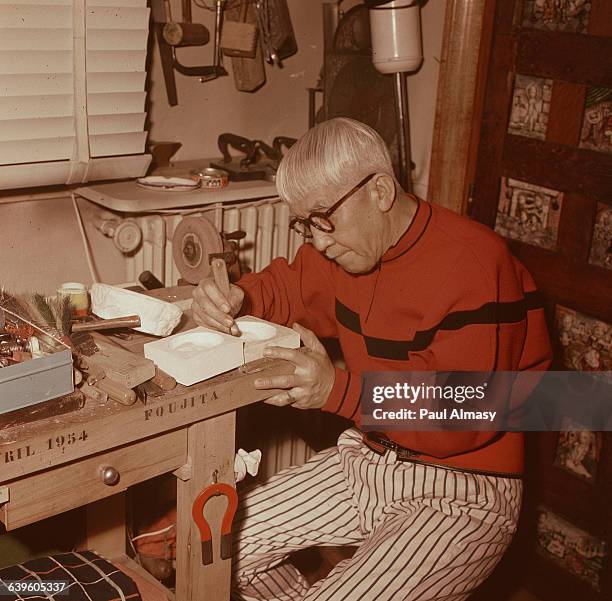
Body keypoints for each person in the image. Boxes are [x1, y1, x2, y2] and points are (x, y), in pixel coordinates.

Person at [192, 118, 552, 600]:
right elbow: (288, 285)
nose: (317, 241)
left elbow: (460, 413)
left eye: (323, 219)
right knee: (208, 546)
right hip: (370, 459)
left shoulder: (476, 264)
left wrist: (336, 391)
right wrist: (236, 296)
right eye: (304, 225)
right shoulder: (344, 251)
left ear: (380, 190)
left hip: (464, 490)